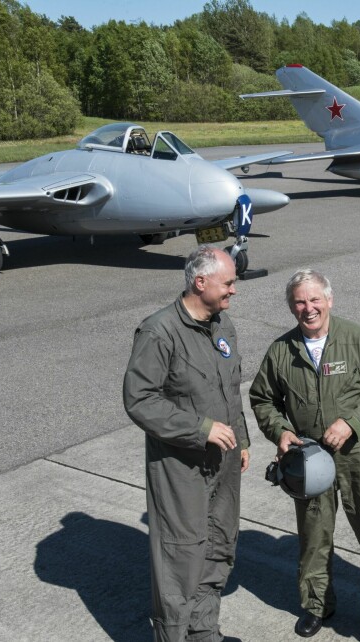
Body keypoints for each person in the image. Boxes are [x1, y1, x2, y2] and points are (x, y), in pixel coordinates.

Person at [249, 269, 360, 642]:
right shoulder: (282, 351)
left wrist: (351, 423)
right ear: (291, 307)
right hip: (309, 461)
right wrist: (281, 431)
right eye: (300, 302)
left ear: (329, 300)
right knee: (314, 537)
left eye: (315, 299)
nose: (309, 308)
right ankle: (317, 606)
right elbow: (263, 398)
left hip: (357, 458)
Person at [123, 245, 250, 642]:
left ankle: (203, 631)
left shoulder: (222, 324)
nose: (234, 290)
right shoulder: (159, 331)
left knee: (218, 543)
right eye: (228, 282)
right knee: (181, 555)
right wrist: (200, 429)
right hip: (181, 467)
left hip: (224, 461)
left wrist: (241, 440)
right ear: (201, 282)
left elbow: (231, 388)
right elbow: (139, 400)